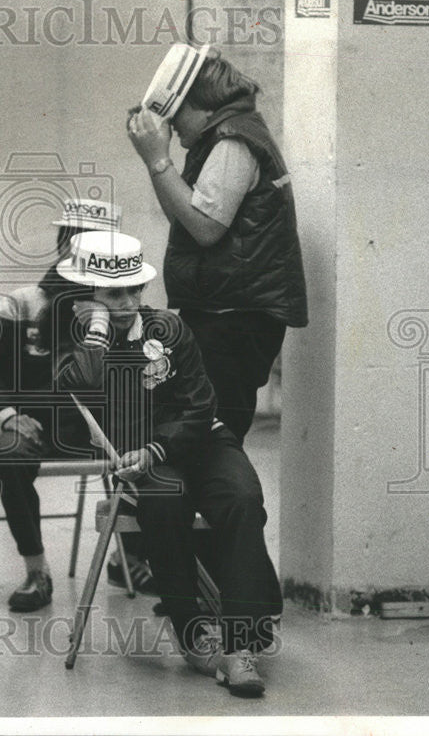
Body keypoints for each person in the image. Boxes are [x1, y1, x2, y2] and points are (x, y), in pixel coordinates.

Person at [55, 230, 283, 697]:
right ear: (87, 297)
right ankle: (193, 631)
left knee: (242, 496)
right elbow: (76, 400)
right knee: (164, 501)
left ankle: (241, 644)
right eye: (112, 294)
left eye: (132, 290)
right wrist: (96, 331)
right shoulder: (75, 339)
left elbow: (200, 407)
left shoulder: (169, 330)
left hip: (199, 440)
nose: (125, 303)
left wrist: (158, 448)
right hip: (138, 458)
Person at [0, 199, 156, 612]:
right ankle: (37, 571)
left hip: (106, 430)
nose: (82, 252)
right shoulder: (22, 304)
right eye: (75, 241)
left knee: (154, 451)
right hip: (37, 426)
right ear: (61, 245)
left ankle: (130, 559)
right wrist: (9, 416)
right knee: (10, 456)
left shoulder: (125, 307)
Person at [128, 44, 307, 444]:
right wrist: (157, 162)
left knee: (213, 431)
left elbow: (205, 228)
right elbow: (182, 216)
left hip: (234, 318)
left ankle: (225, 505)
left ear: (200, 104)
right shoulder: (224, 136)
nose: (173, 129)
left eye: (175, 117)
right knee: (202, 425)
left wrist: (158, 160)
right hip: (226, 312)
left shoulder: (232, 142)